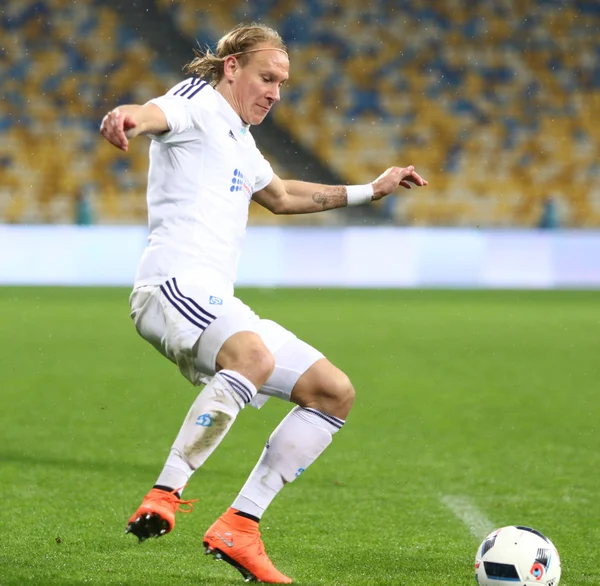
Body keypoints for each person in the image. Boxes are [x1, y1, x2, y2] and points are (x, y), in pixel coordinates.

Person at [99, 22, 427, 585]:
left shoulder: (240, 139)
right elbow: (154, 112)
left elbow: (279, 195)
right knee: (252, 357)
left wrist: (371, 189)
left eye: (283, 83)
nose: (276, 92)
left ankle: (240, 525)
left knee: (332, 392)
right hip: (170, 286)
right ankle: (166, 491)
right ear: (232, 69)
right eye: (267, 78)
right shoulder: (196, 101)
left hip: (215, 299)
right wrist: (127, 116)